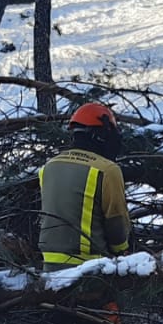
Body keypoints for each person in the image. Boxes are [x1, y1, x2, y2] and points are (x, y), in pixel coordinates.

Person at [38, 102, 131, 266]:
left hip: (50, 264)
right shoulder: (107, 169)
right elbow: (116, 222)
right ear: (101, 135)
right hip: (89, 266)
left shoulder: (49, 167)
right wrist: (122, 250)